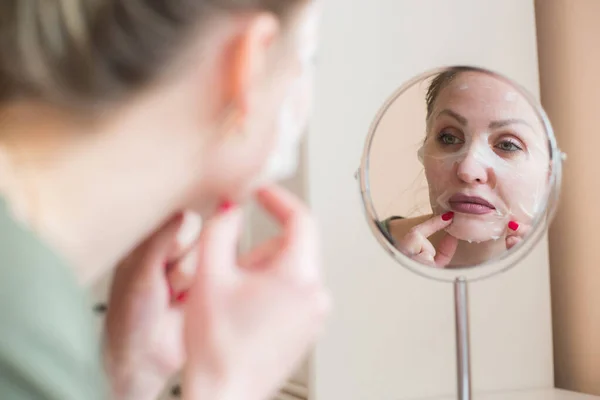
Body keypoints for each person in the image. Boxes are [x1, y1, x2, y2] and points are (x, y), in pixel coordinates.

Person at [0, 0, 330, 399]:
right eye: (303, 60)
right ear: (250, 64)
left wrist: (129, 372)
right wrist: (227, 386)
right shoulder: (17, 327)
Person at [384, 67, 550, 268]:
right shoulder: (361, 251)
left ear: (550, 175)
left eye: (507, 145)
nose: (468, 170)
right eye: (449, 138)